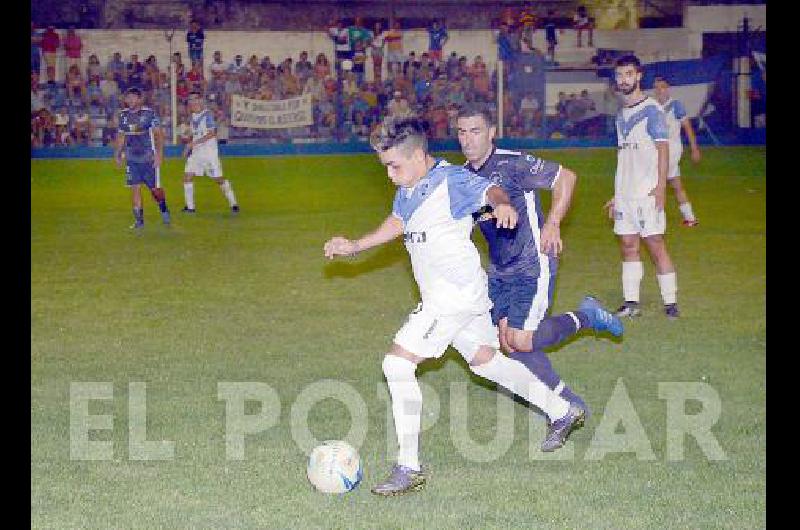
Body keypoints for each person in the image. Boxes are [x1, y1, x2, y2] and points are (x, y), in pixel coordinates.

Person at [324, 117, 582, 496]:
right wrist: (356, 245)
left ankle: (408, 467)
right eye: (386, 168)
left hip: (452, 298)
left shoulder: (451, 180)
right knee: (487, 362)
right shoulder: (409, 188)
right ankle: (561, 409)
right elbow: (399, 219)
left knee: (396, 364)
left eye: (395, 165)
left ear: (417, 155)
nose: (391, 175)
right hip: (458, 295)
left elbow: (490, 189)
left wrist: (504, 204)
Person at [456, 105, 623, 429]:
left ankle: (589, 316)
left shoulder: (512, 162)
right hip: (501, 269)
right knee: (508, 344)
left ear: (491, 132)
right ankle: (567, 402)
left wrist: (554, 223)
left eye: (475, 131)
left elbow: (566, 177)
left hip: (533, 261)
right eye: (461, 132)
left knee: (521, 339)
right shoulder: (465, 177)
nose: (468, 139)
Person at [604, 55, 679, 319]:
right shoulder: (620, 114)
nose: (623, 80)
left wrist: (660, 188)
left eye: (628, 74)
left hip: (647, 191)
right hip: (625, 193)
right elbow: (623, 156)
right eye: (619, 75)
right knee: (627, 244)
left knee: (655, 243)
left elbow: (663, 149)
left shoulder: (652, 109)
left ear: (638, 76)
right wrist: (616, 194)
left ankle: (671, 303)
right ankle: (630, 303)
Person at [114, 87, 171, 229]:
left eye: (134, 97)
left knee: (155, 191)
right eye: (128, 98)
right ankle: (139, 221)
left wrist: (159, 154)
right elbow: (121, 137)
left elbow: (159, 135)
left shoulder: (149, 114)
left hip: (148, 158)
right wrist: (117, 154)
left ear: (140, 99)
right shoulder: (123, 116)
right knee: (135, 188)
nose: (130, 100)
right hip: (132, 158)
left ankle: (163, 208)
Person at [652, 76, 701, 227]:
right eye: (657, 87)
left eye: (663, 87)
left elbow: (687, 127)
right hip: (658, 150)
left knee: (657, 182)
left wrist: (694, 148)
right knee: (675, 184)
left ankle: (656, 219)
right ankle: (690, 218)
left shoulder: (675, 105)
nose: (660, 90)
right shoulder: (653, 107)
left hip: (671, 150)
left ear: (668, 89)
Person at [181, 91, 239, 214]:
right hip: (196, 153)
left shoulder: (207, 115)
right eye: (190, 100)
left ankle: (233, 203)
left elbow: (212, 133)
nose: (192, 102)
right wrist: (187, 137)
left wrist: (192, 144)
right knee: (187, 176)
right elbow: (195, 132)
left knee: (219, 178)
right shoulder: (192, 117)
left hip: (209, 153)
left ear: (200, 100)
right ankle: (190, 208)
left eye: (194, 99)